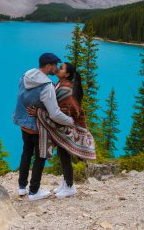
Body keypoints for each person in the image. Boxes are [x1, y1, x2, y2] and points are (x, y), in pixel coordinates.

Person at [28, 62, 96, 199]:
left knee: (65, 156)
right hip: (64, 126)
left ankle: (70, 186)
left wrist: (39, 112)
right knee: (62, 153)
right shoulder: (59, 84)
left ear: (67, 74)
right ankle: (66, 183)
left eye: (61, 68)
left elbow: (60, 113)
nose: (58, 69)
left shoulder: (66, 91)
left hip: (67, 127)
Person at [13, 53, 74, 201]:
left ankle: (22, 187)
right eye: (55, 65)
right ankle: (34, 191)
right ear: (48, 66)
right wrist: (70, 121)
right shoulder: (46, 86)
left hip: (23, 123)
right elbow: (55, 114)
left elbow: (22, 97)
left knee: (26, 153)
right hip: (37, 127)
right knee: (40, 157)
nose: (56, 68)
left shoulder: (26, 75)